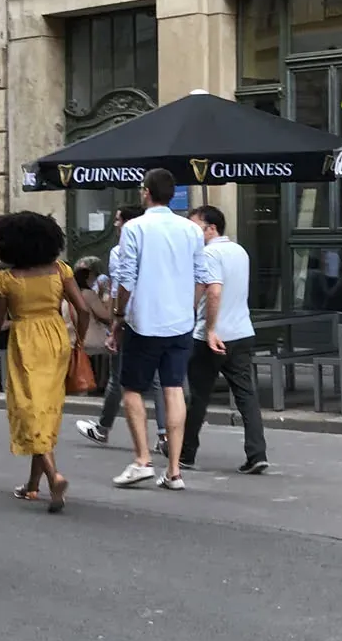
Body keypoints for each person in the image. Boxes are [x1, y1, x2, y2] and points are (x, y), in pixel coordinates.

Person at [0, 211, 89, 512]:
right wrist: (78, 340)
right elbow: (83, 309)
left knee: (29, 410)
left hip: (26, 341)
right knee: (46, 410)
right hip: (56, 338)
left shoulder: (5, 279)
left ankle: (54, 477)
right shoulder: (61, 270)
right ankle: (33, 486)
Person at [108, 168, 210, 489]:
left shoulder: (135, 228)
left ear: (146, 192)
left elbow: (126, 278)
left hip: (145, 321)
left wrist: (119, 313)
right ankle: (175, 470)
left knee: (132, 388)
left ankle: (142, 459)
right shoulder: (191, 230)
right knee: (173, 388)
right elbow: (202, 277)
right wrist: (189, 308)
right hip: (180, 322)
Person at [178, 205, 269, 474]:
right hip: (242, 331)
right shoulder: (239, 251)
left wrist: (209, 329)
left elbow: (213, 291)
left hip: (213, 336)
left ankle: (186, 454)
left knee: (198, 397)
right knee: (246, 396)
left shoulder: (209, 253)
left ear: (211, 228)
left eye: (195, 227)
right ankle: (257, 453)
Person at [77, 206, 168, 454]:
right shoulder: (158, 248)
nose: (115, 225)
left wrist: (117, 322)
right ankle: (164, 436)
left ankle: (104, 428)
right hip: (159, 317)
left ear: (128, 223)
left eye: (118, 220)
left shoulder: (121, 251)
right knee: (160, 379)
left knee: (119, 377)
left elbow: (121, 287)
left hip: (131, 319)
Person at [72, 256, 113, 388]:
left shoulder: (69, 293)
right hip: (90, 339)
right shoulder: (88, 294)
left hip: (72, 337)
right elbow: (105, 316)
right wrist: (108, 296)